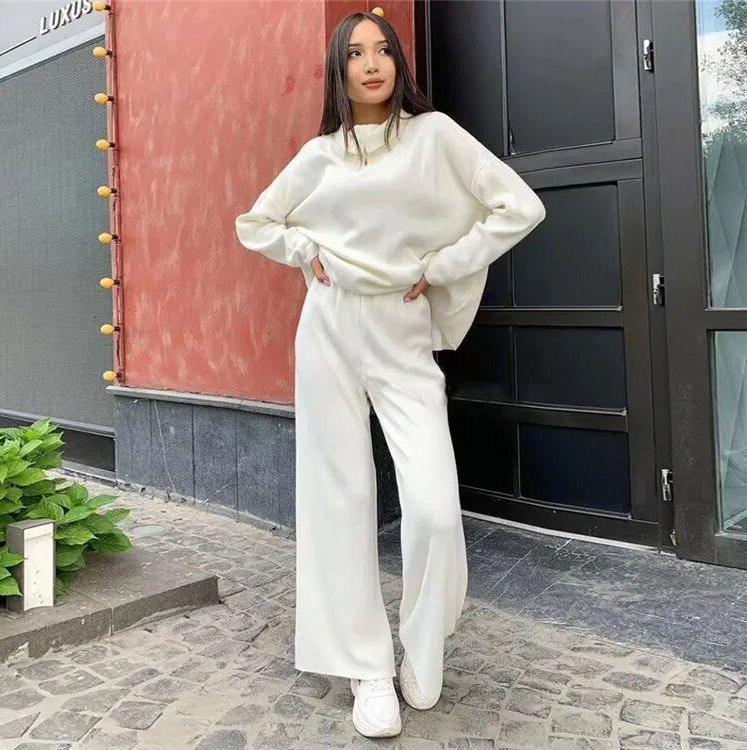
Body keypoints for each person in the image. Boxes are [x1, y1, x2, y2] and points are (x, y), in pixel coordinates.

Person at [234, 9, 546, 740]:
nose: (371, 63)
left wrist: (445, 264)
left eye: (383, 50)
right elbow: (257, 223)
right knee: (337, 499)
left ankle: (422, 646)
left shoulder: (433, 136)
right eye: (355, 53)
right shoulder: (320, 155)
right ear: (337, 70)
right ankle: (366, 668)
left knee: (433, 506)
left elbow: (518, 206)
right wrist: (306, 249)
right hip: (330, 325)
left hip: (402, 330)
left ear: (400, 63)